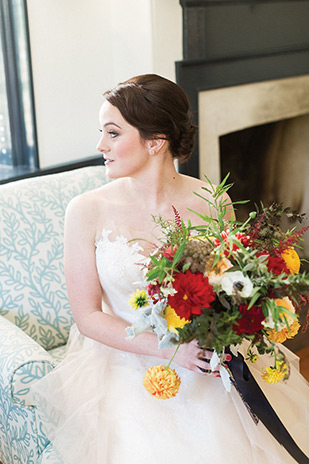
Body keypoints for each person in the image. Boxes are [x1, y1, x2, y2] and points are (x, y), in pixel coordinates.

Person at [32, 74, 309, 464]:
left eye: (112, 133)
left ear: (155, 142)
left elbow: (229, 283)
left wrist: (230, 323)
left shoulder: (212, 201)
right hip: (128, 359)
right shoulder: (86, 210)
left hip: (210, 353)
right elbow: (88, 317)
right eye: (102, 133)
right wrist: (174, 353)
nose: (100, 146)